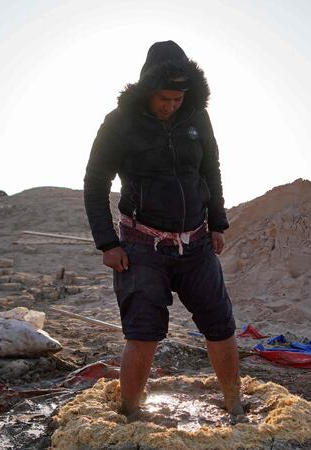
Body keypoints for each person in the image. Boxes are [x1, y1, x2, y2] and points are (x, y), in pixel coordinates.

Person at [83, 41, 243, 419]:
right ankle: (130, 412)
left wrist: (217, 222)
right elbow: (95, 181)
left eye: (178, 98)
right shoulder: (119, 122)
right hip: (141, 245)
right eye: (164, 98)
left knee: (221, 326)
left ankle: (235, 405)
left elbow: (211, 170)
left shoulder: (196, 118)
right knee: (143, 332)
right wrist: (106, 242)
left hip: (197, 243)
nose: (172, 105)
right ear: (147, 89)